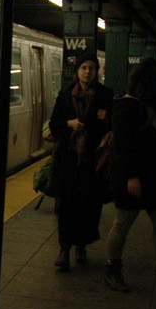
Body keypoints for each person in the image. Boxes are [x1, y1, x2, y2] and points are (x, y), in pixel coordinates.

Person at [104, 58, 156, 295]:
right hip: (134, 179)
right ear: (151, 82)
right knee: (122, 225)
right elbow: (124, 146)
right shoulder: (125, 107)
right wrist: (131, 177)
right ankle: (112, 269)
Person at [47, 53, 113, 271]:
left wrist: (105, 121)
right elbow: (54, 124)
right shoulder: (66, 95)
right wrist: (70, 123)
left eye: (91, 68)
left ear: (96, 71)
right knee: (67, 207)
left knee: (89, 208)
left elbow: (112, 127)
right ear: (78, 71)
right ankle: (64, 249)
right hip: (69, 161)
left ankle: (81, 246)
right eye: (84, 67)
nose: (87, 72)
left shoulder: (105, 95)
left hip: (93, 163)